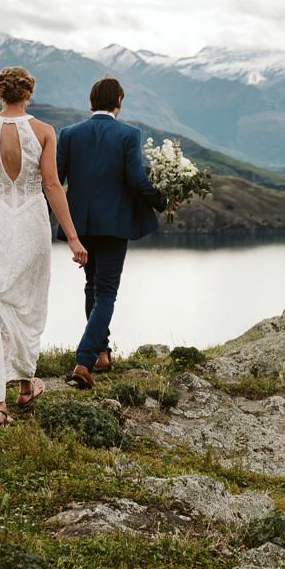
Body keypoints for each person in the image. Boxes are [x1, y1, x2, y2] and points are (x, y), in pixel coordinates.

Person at [0, 66, 88, 426]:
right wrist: (74, 238)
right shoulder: (44, 132)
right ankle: (23, 385)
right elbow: (51, 186)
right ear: (28, 93)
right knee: (27, 304)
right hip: (32, 220)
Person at [56, 76, 169, 388]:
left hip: (80, 225)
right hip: (115, 224)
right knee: (105, 292)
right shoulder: (128, 134)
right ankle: (84, 360)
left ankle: (102, 353)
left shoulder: (69, 134)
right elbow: (135, 179)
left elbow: (57, 180)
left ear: (92, 100)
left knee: (92, 287)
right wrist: (161, 199)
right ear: (118, 100)